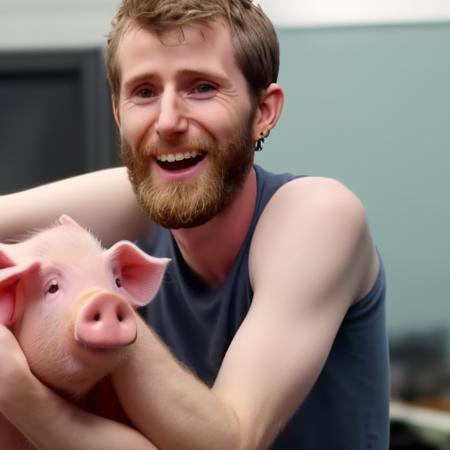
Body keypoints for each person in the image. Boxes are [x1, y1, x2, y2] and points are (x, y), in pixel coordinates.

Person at [0, 0, 389, 449]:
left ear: (263, 111)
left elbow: (233, 440)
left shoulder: (318, 216)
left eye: (201, 87)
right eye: (144, 92)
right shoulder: (134, 200)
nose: (167, 122)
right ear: (118, 112)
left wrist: (20, 391)